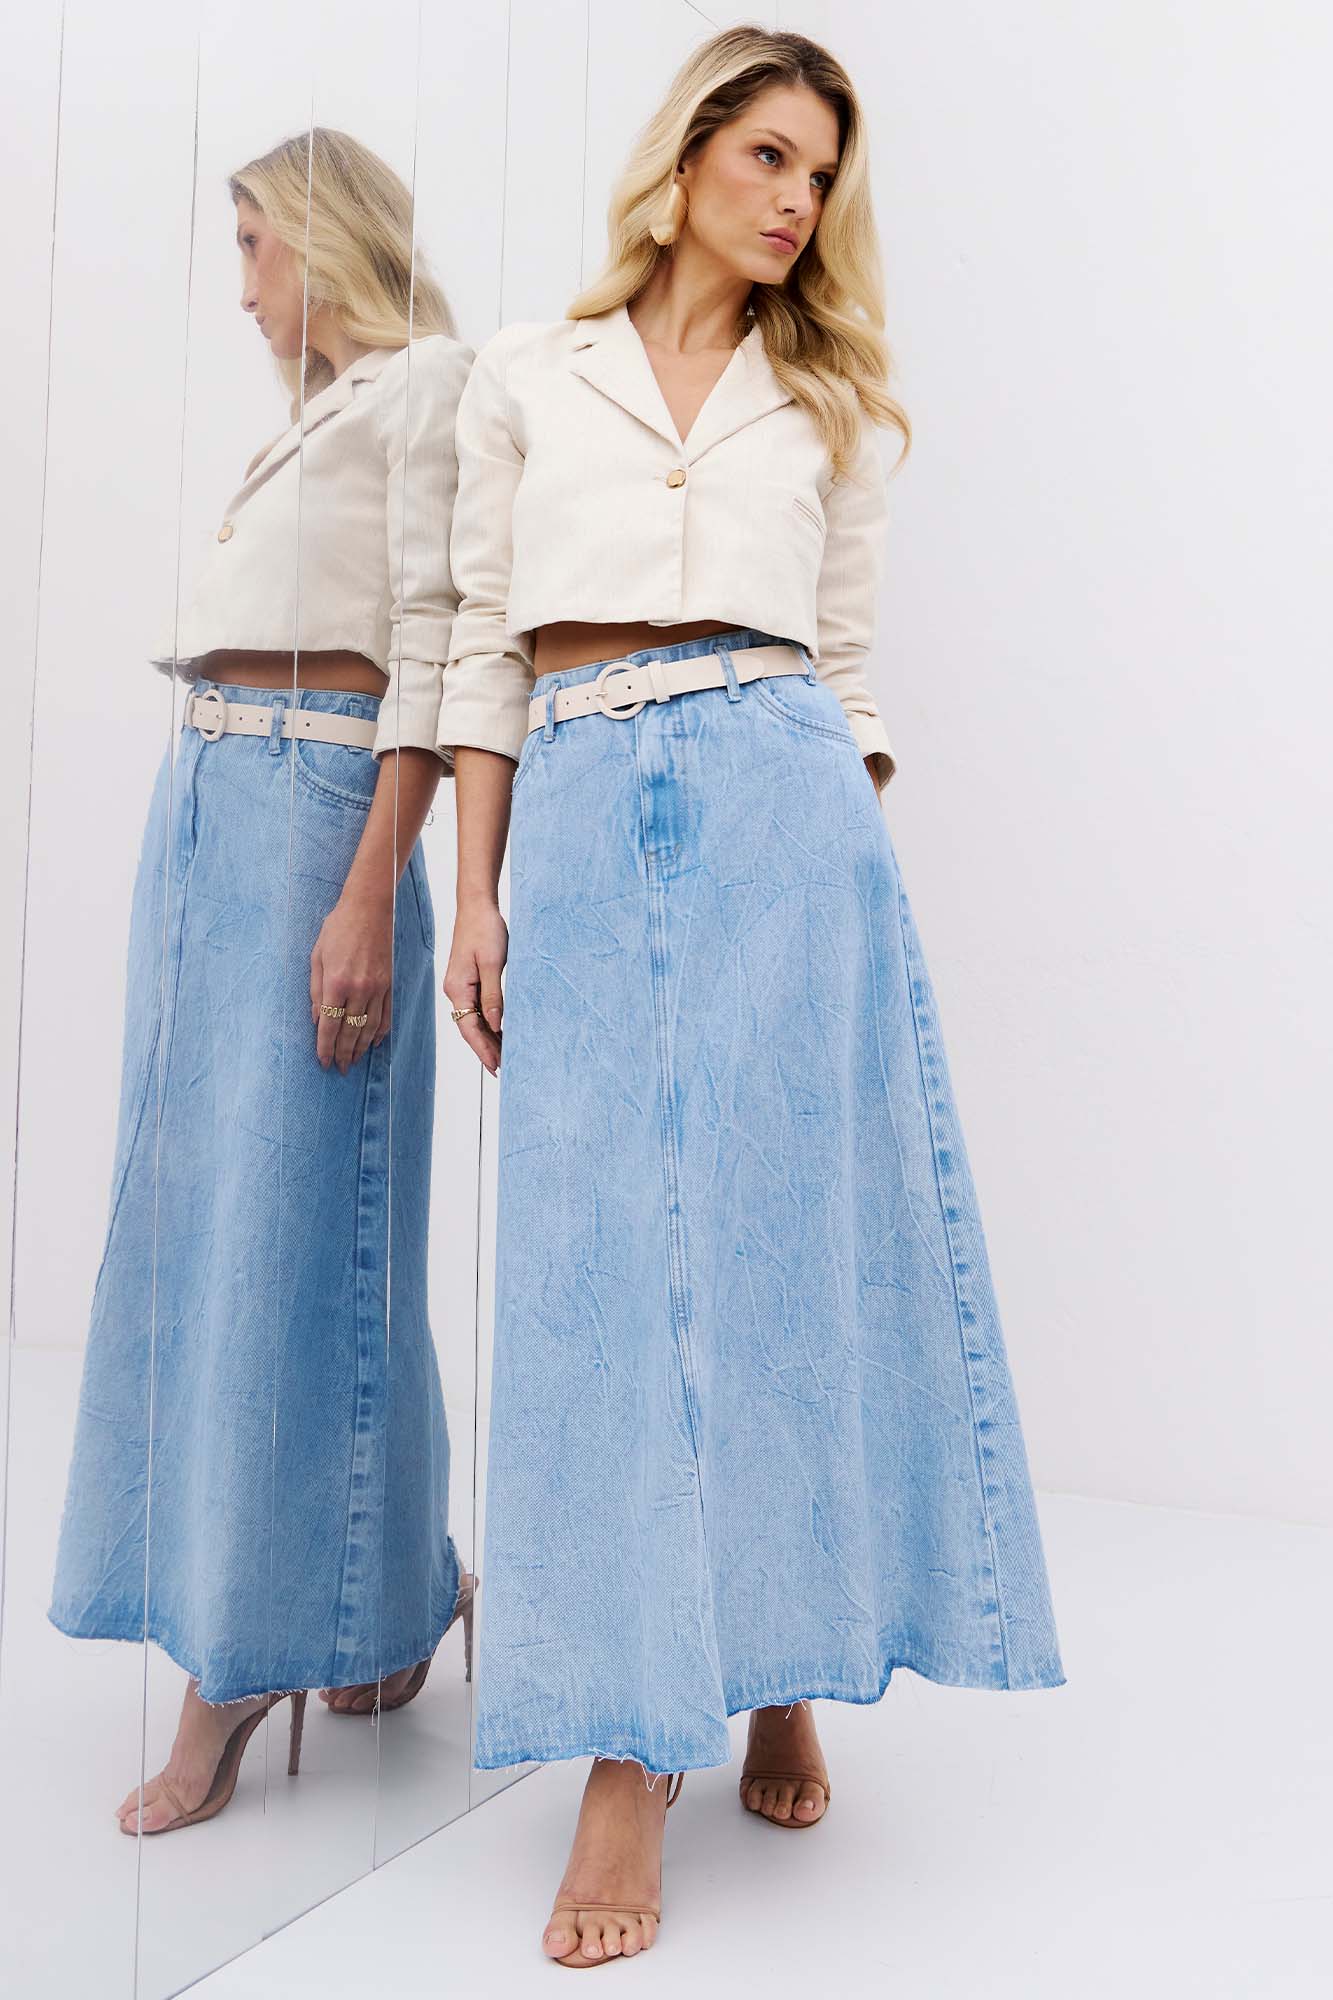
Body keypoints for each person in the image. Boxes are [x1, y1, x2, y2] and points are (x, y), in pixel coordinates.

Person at [438, 27, 1064, 1967]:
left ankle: (778, 1660)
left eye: (822, 176)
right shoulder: (527, 374)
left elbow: (847, 666)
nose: (797, 200)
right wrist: (474, 890)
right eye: (771, 155)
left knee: (779, 1253)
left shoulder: (829, 403)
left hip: (787, 809)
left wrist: (842, 883)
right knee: (598, 1285)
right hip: (584, 796)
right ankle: (634, 1739)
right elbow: (483, 647)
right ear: (689, 152)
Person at [48, 127, 476, 1835]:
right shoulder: (319, 411)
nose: (241, 289)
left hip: (314, 810)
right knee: (222, 1212)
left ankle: (231, 1669)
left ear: (323, 234)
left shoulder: (425, 386)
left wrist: (371, 890)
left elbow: (436, 651)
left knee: (295, 1231)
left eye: (253, 246)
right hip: (214, 800)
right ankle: (397, 1589)